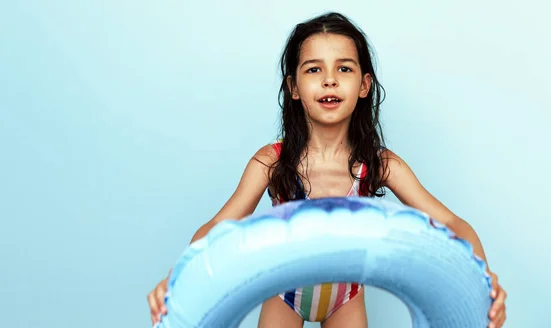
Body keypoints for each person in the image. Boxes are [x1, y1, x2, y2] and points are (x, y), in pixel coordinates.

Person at [147, 11, 507, 328]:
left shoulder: (379, 164)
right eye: (314, 69)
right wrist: (176, 282)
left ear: (364, 85)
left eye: (344, 69)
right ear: (294, 87)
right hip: (284, 293)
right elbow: (216, 227)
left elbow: (454, 225)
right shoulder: (272, 161)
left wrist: (484, 283)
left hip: (345, 300)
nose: (330, 80)